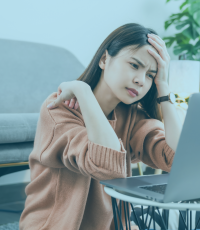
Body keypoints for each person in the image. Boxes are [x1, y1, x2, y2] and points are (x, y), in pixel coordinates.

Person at [19, 23, 183, 230]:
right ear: (104, 59)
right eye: (134, 65)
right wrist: (83, 91)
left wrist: (164, 88)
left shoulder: (133, 117)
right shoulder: (58, 109)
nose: (141, 80)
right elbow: (107, 167)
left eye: (150, 75)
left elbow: (179, 161)